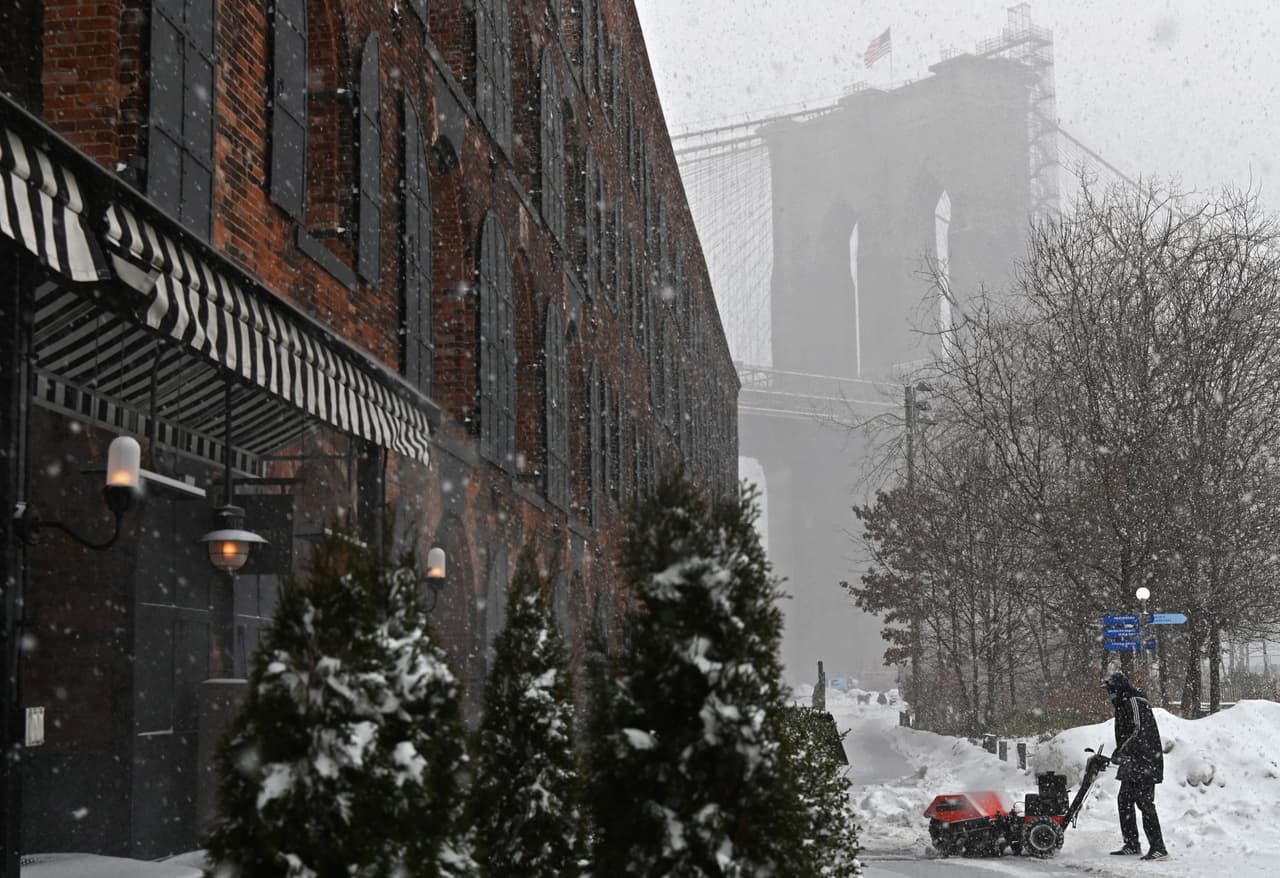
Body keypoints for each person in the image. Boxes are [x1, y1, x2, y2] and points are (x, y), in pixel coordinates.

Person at [1104, 670, 1168, 861]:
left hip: (1146, 761)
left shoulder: (1134, 702)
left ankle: (1159, 848)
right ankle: (1132, 843)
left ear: (1120, 688)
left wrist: (1121, 750)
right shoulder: (1122, 704)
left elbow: (1137, 730)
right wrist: (1122, 753)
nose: (1109, 695)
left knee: (1144, 803)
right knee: (1124, 800)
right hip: (1132, 761)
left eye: (1111, 690)